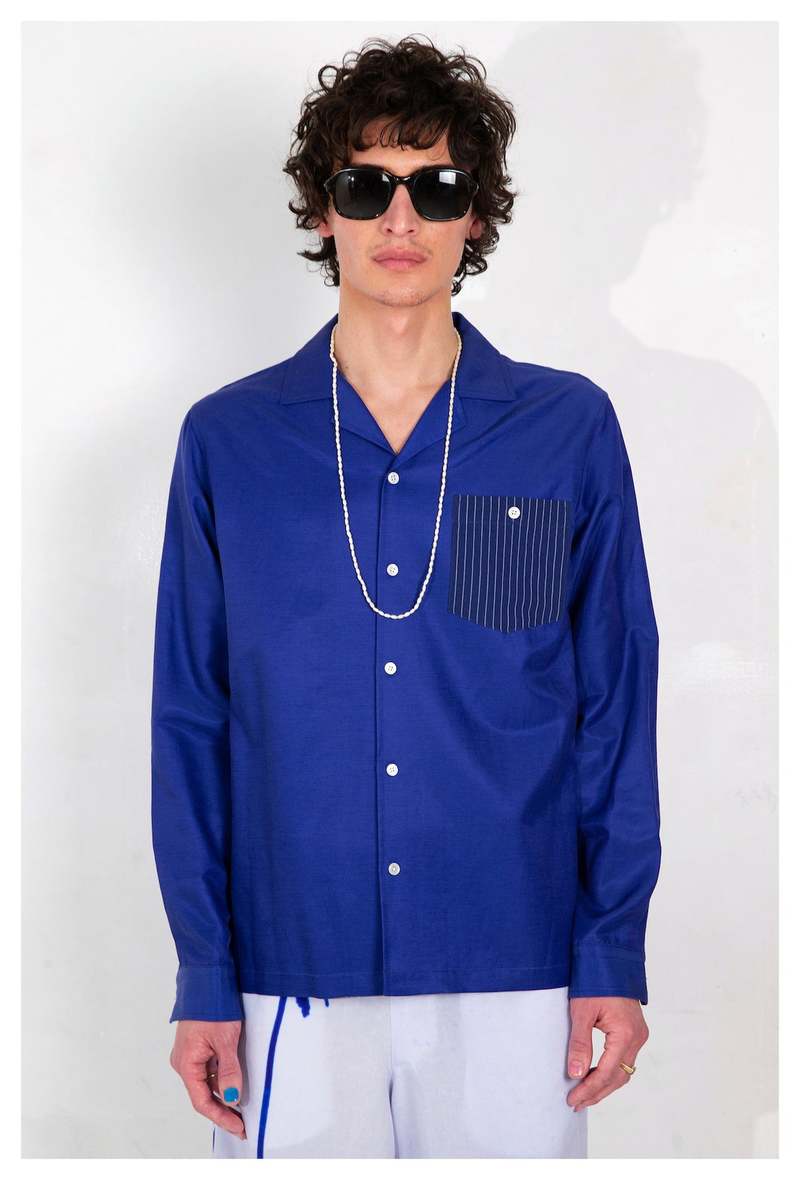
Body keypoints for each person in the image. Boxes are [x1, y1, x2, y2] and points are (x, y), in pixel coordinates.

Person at [150, 34, 661, 1160]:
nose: (398, 218)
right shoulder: (228, 441)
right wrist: (204, 972)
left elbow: (613, 707)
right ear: (320, 208)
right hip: (290, 968)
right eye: (363, 184)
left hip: (518, 966)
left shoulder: (563, 431)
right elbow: (191, 721)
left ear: (473, 216)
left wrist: (611, 952)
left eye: (435, 187)